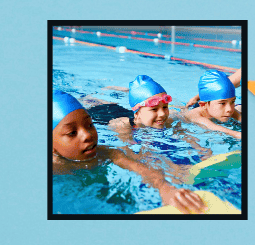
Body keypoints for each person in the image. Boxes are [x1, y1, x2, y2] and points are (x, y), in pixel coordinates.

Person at [52, 90, 207, 214]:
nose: (88, 135)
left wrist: (165, 188)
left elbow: (141, 168)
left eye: (90, 125)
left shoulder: (105, 153)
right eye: (72, 133)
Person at [184, 70, 242, 139]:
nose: (229, 109)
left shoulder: (227, 110)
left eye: (232, 101)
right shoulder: (194, 115)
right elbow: (213, 127)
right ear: (203, 105)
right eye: (222, 103)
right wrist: (237, 134)